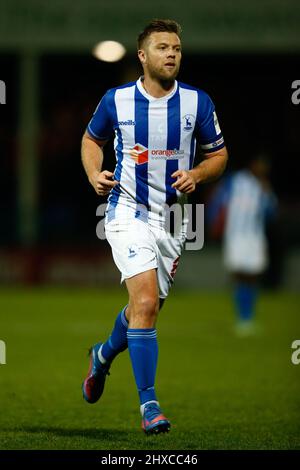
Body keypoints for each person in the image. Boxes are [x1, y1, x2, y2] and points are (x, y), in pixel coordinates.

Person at [81, 19, 228, 434]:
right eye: (163, 47)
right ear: (143, 56)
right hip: (127, 211)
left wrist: (198, 174)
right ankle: (150, 406)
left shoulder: (198, 103)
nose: (172, 54)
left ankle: (102, 357)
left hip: (174, 220)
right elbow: (91, 140)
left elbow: (219, 156)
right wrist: (95, 172)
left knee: (144, 311)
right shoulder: (117, 100)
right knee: (145, 305)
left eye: (177, 48)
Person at [208, 155, 277, 336]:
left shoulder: (262, 187)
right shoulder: (234, 181)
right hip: (236, 236)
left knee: (252, 276)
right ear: (253, 164)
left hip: (255, 237)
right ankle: (242, 318)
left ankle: (247, 318)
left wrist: (267, 193)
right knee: (239, 275)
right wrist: (214, 221)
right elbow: (217, 201)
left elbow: (271, 213)